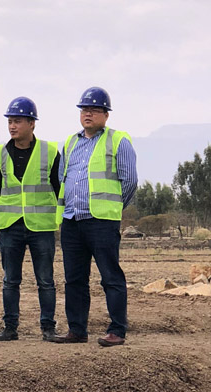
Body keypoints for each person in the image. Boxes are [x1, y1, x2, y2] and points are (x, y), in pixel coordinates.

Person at [53, 87, 137, 347]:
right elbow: (62, 179)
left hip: (101, 222)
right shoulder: (70, 143)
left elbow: (130, 181)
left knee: (111, 277)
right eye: (84, 109)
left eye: (94, 110)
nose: (87, 114)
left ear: (106, 115)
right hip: (72, 220)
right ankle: (77, 330)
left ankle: (117, 330)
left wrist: (113, 208)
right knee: (74, 279)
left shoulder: (118, 141)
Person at [0, 97, 60, 342]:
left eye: (17, 121)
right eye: (10, 121)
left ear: (32, 123)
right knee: (10, 280)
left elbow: (58, 187)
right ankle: (10, 328)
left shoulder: (50, 152)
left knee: (46, 281)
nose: (12, 126)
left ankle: (48, 328)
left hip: (41, 226)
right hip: (10, 225)